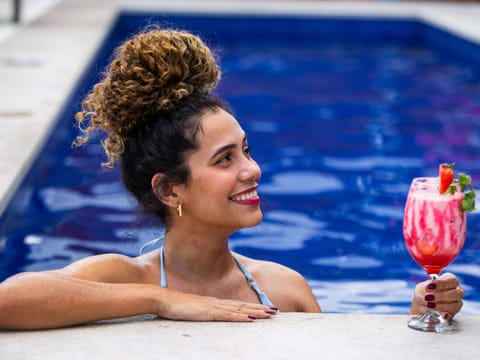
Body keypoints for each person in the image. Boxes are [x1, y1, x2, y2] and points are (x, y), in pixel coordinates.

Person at [0, 28, 463, 330]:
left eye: (247, 150)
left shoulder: (286, 288)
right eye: (224, 159)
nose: (252, 169)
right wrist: (162, 301)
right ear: (169, 189)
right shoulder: (122, 277)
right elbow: (10, 299)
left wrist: (418, 317)